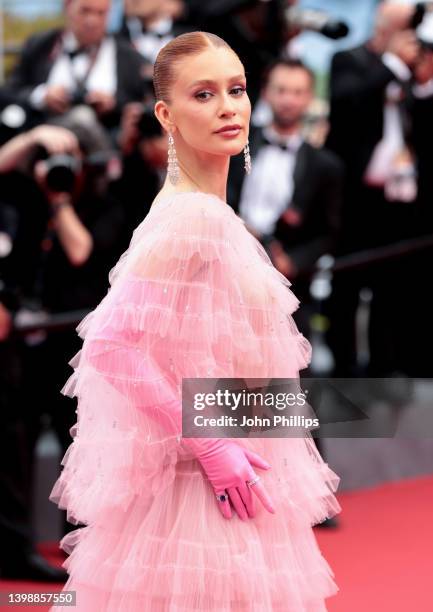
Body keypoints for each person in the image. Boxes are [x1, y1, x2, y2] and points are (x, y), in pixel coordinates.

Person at [49, 31, 341, 610]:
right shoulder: (192, 219)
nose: (228, 107)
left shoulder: (205, 212)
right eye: (203, 94)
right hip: (200, 492)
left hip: (231, 473)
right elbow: (110, 345)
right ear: (166, 113)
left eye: (236, 89)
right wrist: (210, 443)